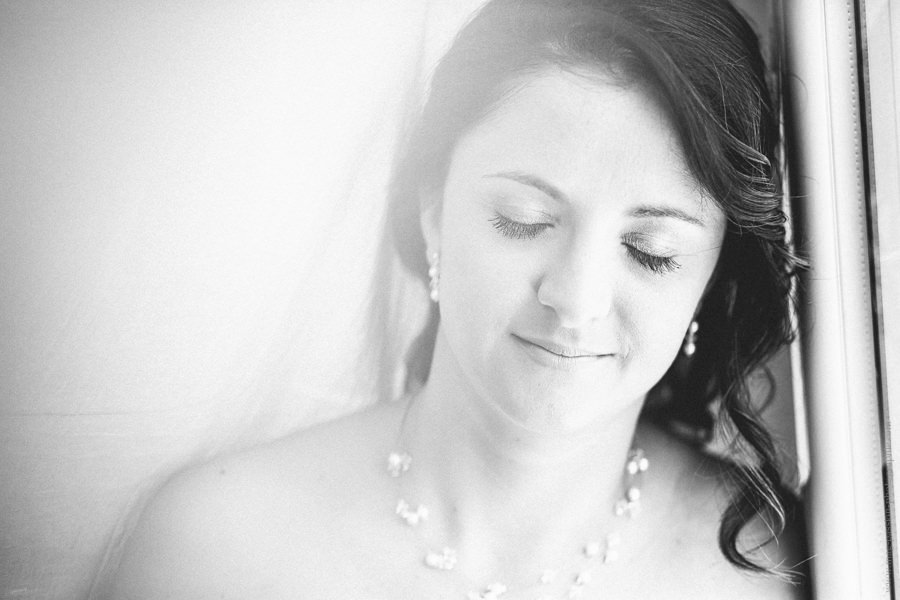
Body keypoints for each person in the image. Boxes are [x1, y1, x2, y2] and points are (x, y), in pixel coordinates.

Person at [108, 0, 809, 598]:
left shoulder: (770, 568)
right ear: (432, 211)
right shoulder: (216, 548)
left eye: (651, 251)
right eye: (523, 219)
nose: (576, 298)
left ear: (712, 278)